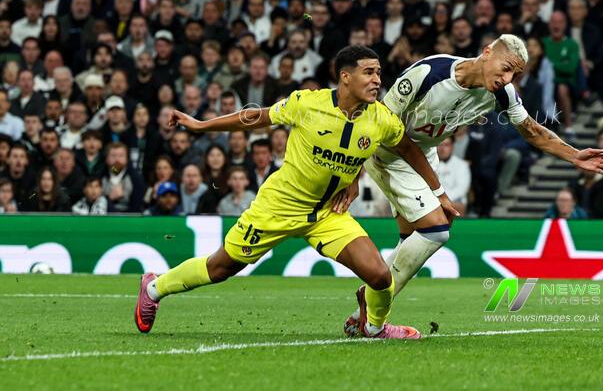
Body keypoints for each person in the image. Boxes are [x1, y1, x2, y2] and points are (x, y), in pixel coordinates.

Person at [135, 46, 458, 340]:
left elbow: (406, 148)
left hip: (327, 214)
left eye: (379, 72)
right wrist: (202, 125)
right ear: (345, 77)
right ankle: (153, 287)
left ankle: (372, 327)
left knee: (378, 275)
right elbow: (257, 116)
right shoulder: (307, 103)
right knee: (221, 268)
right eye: (369, 72)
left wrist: (437, 192)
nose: (378, 80)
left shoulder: (381, 119)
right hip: (278, 206)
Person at [335, 34, 603, 336]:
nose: (507, 79)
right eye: (506, 68)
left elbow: (532, 131)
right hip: (390, 150)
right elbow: (376, 123)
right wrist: (352, 174)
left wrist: (574, 155)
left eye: (515, 74)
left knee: (413, 238)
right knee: (436, 230)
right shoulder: (428, 74)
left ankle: (364, 310)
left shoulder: (502, 93)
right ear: (486, 53)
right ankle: (373, 323)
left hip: (423, 153)